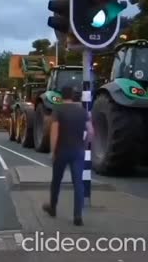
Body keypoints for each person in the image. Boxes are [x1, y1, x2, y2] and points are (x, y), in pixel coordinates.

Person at [42, 86, 94, 226]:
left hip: (62, 151)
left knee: (56, 180)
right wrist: (84, 145)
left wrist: (53, 151)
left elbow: (55, 132)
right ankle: (78, 216)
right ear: (73, 95)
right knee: (78, 184)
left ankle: (53, 207)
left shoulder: (58, 110)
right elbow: (90, 131)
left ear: (61, 96)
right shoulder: (82, 111)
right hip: (78, 151)